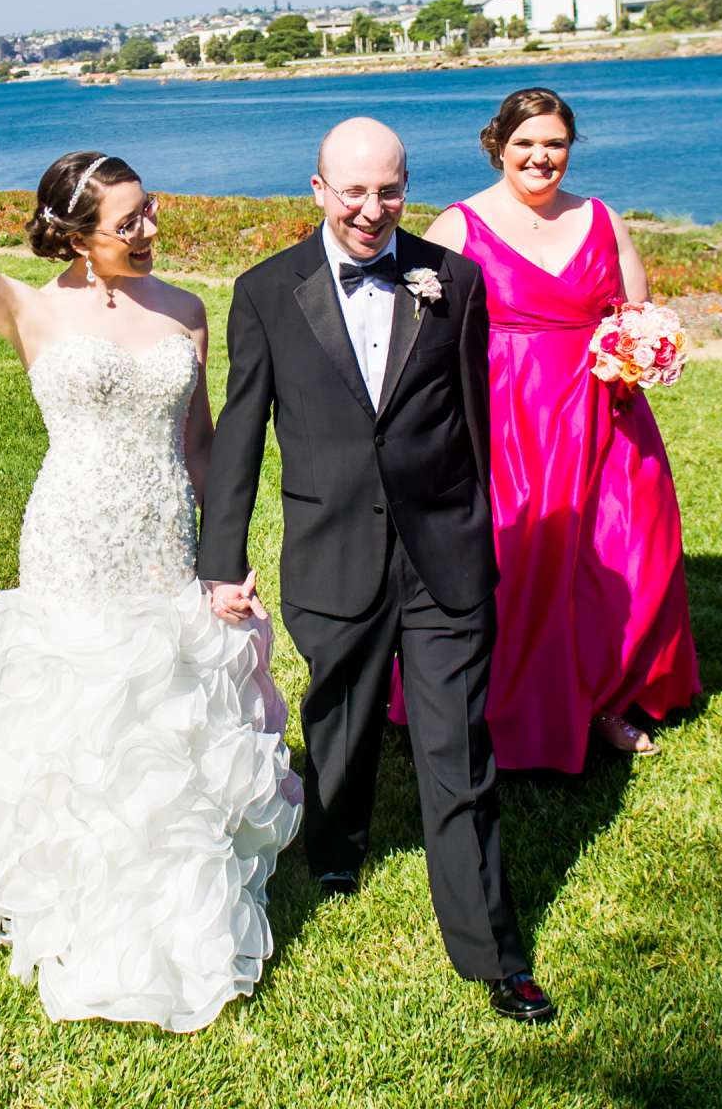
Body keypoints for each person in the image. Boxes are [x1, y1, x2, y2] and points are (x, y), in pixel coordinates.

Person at [0, 58, 300, 1034]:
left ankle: (174, 891)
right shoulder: (27, 306)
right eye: (129, 222)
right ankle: (68, 883)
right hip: (74, 538)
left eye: (151, 213)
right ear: (77, 233)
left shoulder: (185, 309)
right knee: (79, 710)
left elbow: (203, 442)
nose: (151, 231)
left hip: (163, 533)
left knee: (164, 715)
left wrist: (225, 558)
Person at [199, 117, 555, 1025]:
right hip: (332, 551)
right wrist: (221, 559)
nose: (371, 209)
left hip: (442, 556)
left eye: (388, 191)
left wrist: (473, 537)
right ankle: (336, 840)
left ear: (408, 189)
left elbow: (470, 422)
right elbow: (240, 434)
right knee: (340, 714)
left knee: (456, 752)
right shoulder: (266, 292)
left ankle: (492, 952)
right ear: (317, 189)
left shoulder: (457, 282)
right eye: (352, 191)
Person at [394, 88, 699, 770]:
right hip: (509, 423)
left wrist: (646, 348)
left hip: (604, 418)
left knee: (625, 556)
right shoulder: (458, 226)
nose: (541, 157)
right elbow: (417, 338)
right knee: (521, 564)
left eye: (555, 144)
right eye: (526, 143)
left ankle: (607, 698)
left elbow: (636, 313)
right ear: (498, 144)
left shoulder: (602, 220)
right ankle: (492, 704)